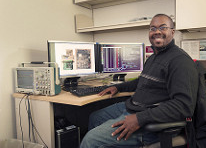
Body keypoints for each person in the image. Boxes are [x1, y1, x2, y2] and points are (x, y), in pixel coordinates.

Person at [79, 14, 199, 148]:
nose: (157, 31)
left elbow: (183, 106)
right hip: (134, 108)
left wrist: (139, 119)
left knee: (90, 140)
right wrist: (119, 87)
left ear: (172, 31)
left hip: (152, 123)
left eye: (162, 27)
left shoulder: (180, 61)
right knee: (95, 117)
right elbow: (141, 82)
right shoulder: (154, 58)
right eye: (153, 28)